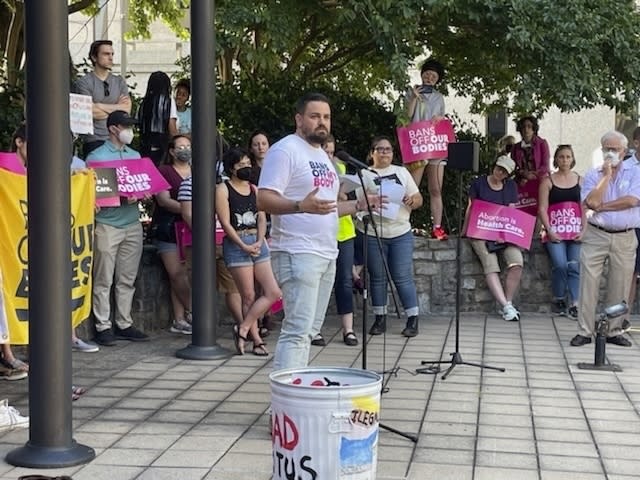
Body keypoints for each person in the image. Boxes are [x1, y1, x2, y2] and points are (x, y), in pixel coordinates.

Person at [258, 92, 382, 370]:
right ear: (299, 119)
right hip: (298, 251)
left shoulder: (323, 157)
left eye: (326, 117)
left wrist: (360, 204)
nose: (322, 122)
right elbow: (263, 199)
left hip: (326, 253)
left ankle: (295, 393)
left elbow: (326, 208)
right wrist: (300, 204)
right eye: (315, 116)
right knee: (297, 331)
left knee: (309, 332)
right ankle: (286, 404)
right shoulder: (285, 150)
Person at [570, 131, 640, 348]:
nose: (610, 153)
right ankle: (585, 330)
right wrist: (606, 176)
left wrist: (603, 207)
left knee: (620, 284)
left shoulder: (636, 172)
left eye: (615, 149)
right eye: (606, 148)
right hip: (596, 233)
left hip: (625, 235)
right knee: (588, 283)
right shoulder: (593, 174)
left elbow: (631, 201)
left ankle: (614, 330)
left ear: (624, 150)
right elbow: (590, 202)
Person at [87, 110, 150, 346]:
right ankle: (103, 326)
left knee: (127, 277)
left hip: (132, 222)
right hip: (107, 224)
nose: (129, 131)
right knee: (103, 277)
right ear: (113, 128)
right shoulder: (96, 157)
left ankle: (124, 323)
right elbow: (92, 191)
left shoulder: (135, 155)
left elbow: (145, 184)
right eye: (126, 126)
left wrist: (142, 193)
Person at [216, 148, 281, 356]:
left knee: (273, 292)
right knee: (248, 295)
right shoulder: (223, 189)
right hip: (237, 242)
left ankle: (243, 327)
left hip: (257, 240)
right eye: (241, 165)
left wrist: (261, 240)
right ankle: (256, 340)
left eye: (247, 164)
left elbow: (262, 216)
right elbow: (225, 222)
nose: (246, 168)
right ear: (231, 168)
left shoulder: (254, 188)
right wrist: (243, 245)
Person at [359, 136, 423, 337]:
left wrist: (411, 200)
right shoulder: (364, 174)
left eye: (388, 149)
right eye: (380, 149)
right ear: (372, 153)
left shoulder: (402, 172)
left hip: (400, 231)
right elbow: (358, 203)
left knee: (402, 276)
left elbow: (419, 198)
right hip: (373, 232)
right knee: (377, 277)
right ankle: (380, 319)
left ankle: (412, 319)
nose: (384, 153)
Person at [177, 175, 245, 328]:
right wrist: (206, 237)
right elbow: (187, 214)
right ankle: (204, 328)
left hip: (225, 240)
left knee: (233, 287)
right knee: (201, 286)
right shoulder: (188, 184)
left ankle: (242, 325)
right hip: (199, 243)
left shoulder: (227, 182)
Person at [463, 155, 523, 321]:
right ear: (494, 165)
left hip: (502, 232)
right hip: (481, 230)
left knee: (516, 262)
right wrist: (464, 230)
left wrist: (503, 235)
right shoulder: (479, 183)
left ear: (508, 175)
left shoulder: (510, 186)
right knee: (491, 265)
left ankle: (508, 302)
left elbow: (511, 213)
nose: (500, 172)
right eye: (498, 168)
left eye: (504, 172)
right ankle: (506, 306)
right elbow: (471, 207)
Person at [152, 135, 193, 334]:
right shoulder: (163, 171)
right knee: (176, 273)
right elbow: (163, 200)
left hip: (191, 228)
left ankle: (180, 319)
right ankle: (194, 311)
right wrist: (189, 210)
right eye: (180, 146)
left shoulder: (197, 169)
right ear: (171, 151)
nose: (185, 149)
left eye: (188, 145)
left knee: (183, 274)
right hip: (168, 228)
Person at [404, 57, 448, 240]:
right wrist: (414, 97)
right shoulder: (411, 92)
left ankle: (437, 227)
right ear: (422, 75)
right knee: (412, 187)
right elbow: (406, 118)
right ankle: (404, 224)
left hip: (435, 145)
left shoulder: (439, 97)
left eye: (433, 76)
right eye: (427, 74)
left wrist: (441, 119)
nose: (429, 78)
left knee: (436, 188)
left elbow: (442, 119)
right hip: (417, 144)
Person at [538, 145, 582, 319]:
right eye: (561, 157)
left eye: (568, 157)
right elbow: (542, 208)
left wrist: (584, 230)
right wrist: (549, 231)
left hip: (575, 231)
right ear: (556, 159)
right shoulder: (548, 181)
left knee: (574, 266)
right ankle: (559, 298)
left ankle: (575, 303)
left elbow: (584, 207)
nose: (565, 160)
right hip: (554, 231)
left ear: (572, 159)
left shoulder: (580, 180)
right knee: (560, 264)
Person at [322, 134, 358, 346]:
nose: (329, 156)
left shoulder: (341, 170)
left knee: (344, 281)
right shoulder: (311, 171)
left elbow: (349, 200)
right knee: (321, 281)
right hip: (322, 234)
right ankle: (315, 330)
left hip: (344, 232)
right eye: (325, 151)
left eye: (332, 152)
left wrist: (345, 197)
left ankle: (348, 329)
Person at [73, 40, 131, 158]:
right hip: (94, 140)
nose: (110, 58)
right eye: (106, 54)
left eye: (112, 54)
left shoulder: (119, 81)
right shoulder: (84, 82)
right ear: (94, 57)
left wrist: (98, 105)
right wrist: (116, 110)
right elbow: (88, 112)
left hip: (118, 138)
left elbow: (126, 110)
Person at [137, 71, 178, 166]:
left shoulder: (143, 103)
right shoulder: (168, 102)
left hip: (145, 147)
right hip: (162, 148)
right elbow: (172, 129)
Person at [511, 115, 550, 187]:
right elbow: (513, 167)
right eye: (523, 127)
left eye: (529, 126)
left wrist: (533, 175)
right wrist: (523, 174)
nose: (526, 129)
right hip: (521, 181)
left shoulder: (542, 144)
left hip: (540, 180)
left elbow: (545, 166)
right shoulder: (515, 147)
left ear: (534, 129)